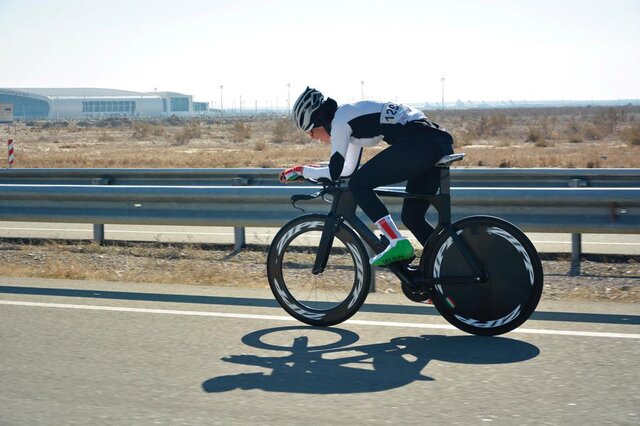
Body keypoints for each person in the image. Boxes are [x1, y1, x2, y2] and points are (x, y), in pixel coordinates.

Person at [279, 87, 454, 267]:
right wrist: (311, 171)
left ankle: (396, 240)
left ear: (318, 121)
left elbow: (335, 172)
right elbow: (346, 170)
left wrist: (301, 171)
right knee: (412, 217)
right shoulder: (348, 118)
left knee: (359, 185)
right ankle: (448, 268)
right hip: (434, 141)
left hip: (420, 142)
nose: (311, 137)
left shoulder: (340, 121)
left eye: (310, 131)